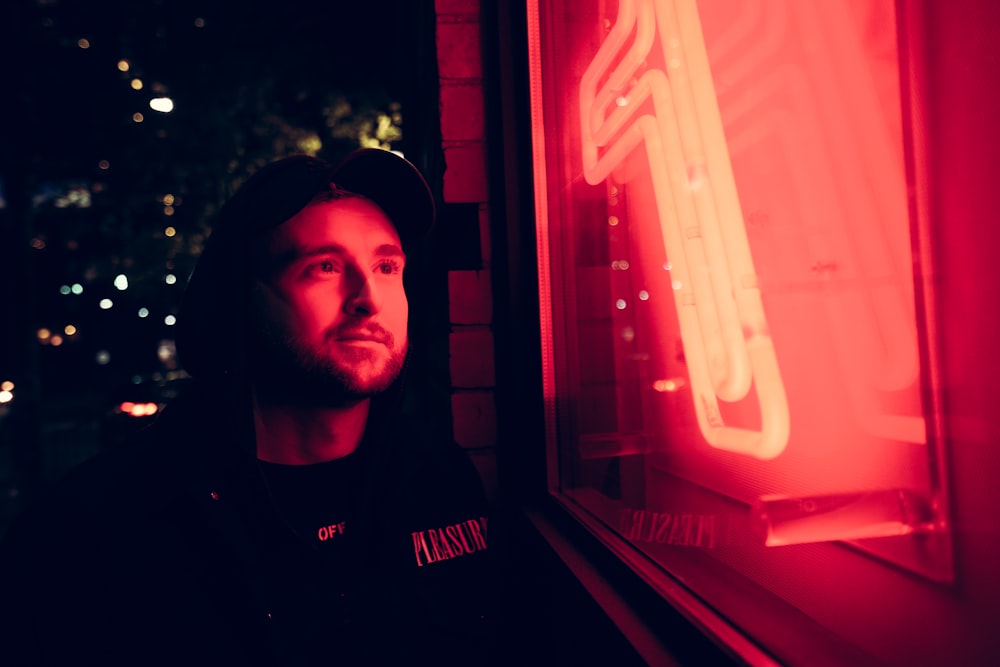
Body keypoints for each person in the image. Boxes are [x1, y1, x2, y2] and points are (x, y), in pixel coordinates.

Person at [0, 149, 496, 665]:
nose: (368, 297)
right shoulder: (97, 533)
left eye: (386, 265)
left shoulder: (440, 478)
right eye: (324, 266)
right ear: (241, 300)